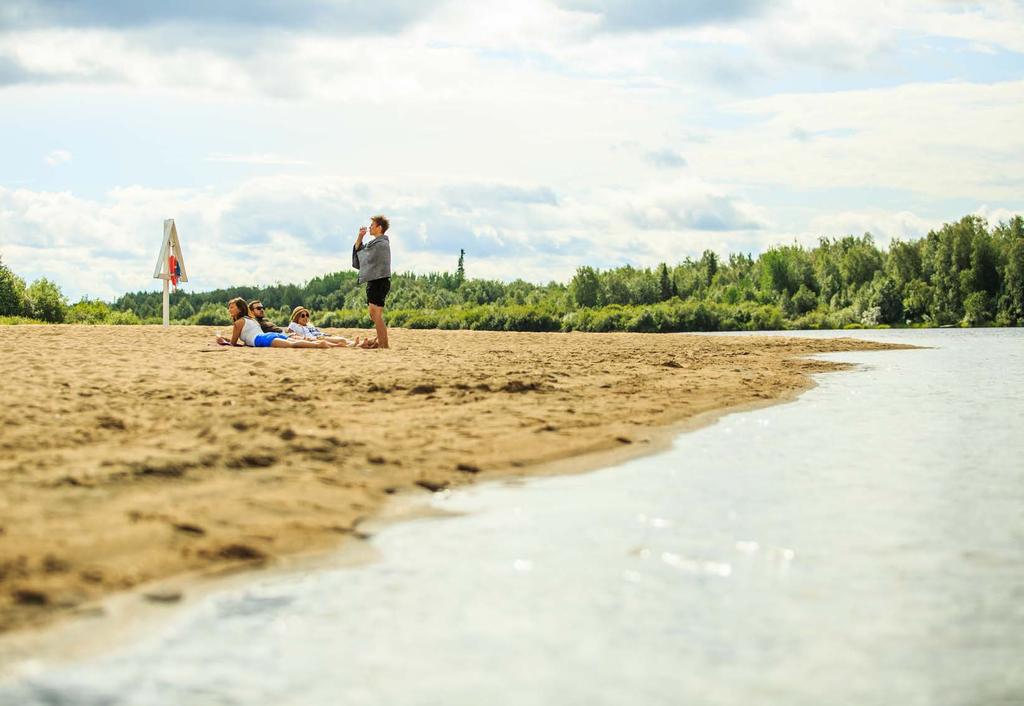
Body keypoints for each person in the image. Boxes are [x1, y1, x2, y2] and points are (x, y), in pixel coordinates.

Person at [215, 297, 337, 349]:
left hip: (262, 340)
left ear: (239, 309)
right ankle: (326, 344)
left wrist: (221, 340)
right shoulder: (250, 319)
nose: (229, 309)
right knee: (293, 341)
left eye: (231, 307)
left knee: (292, 345)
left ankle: (318, 345)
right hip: (269, 336)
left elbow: (233, 344)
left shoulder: (238, 323)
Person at [352, 215, 391, 349]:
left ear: (379, 228)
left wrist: (361, 240)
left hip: (378, 281)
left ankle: (383, 344)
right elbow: (361, 253)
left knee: (375, 314)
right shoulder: (377, 244)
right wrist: (360, 237)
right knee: (374, 314)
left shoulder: (380, 244)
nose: (370, 227)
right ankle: (382, 342)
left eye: (372, 225)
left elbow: (362, 255)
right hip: (377, 281)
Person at [287, 306, 367, 347]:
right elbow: (289, 333)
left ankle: (359, 344)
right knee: (342, 340)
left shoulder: (309, 324)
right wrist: (295, 335)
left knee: (344, 339)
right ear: (297, 317)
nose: (306, 317)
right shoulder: (294, 325)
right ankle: (357, 345)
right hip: (317, 338)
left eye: (307, 315)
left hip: (321, 335)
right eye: (303, 315)